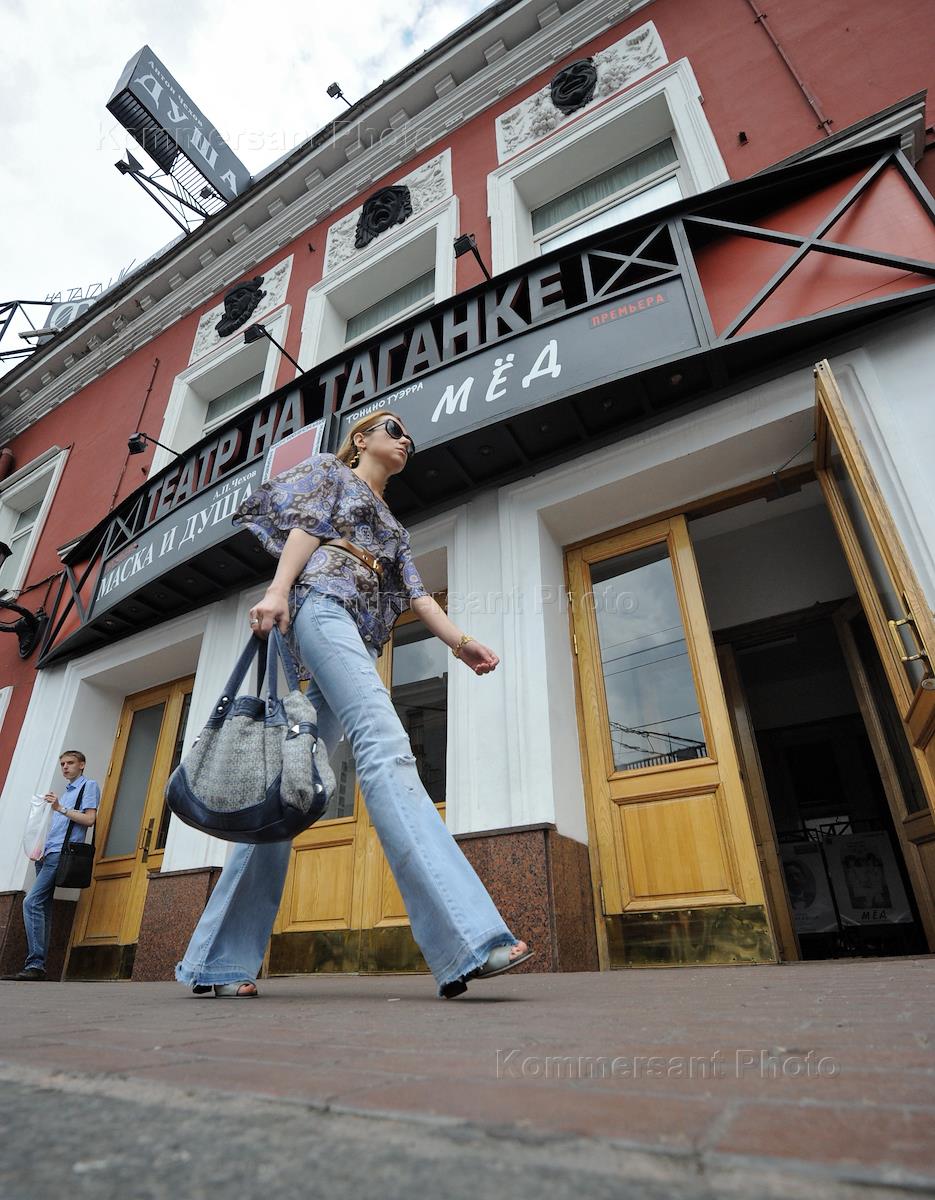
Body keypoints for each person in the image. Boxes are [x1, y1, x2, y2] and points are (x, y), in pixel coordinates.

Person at [176, 412, 532, 999]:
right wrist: (277, 591)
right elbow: (306, 529)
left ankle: (216, 962)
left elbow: (419, 598)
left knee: (289, 789)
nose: (405, 438)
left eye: (409, 435)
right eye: (394, 428)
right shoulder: (332, 473)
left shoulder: (396, 529)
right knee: (386, 746)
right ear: (361, 438)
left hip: (355, 640)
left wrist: (462, 644)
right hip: (320, 607)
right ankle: (467, 938)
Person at [3, 751, 100, 982]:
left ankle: (35, 964)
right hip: (47, 855)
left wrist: (60, 808)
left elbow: (89, 819)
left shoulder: (88, 786)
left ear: (82, 765)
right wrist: (39, 849)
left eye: (70, 763)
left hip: (62, 854)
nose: (65, 767)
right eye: (63, 764)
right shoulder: (65, 793)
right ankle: (38, 966)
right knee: (43, 907)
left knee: (31, 902)